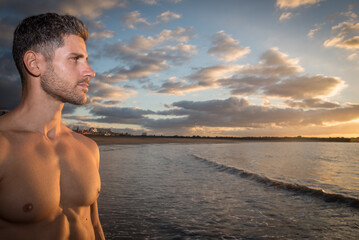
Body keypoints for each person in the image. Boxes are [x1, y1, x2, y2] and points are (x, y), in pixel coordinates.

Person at [0, 13, 105, 240]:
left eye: (86, 59)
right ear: (35, 63)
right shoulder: (3, 148)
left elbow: (95, 227)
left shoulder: (88, 148)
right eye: (75, 59)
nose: (90, 71)